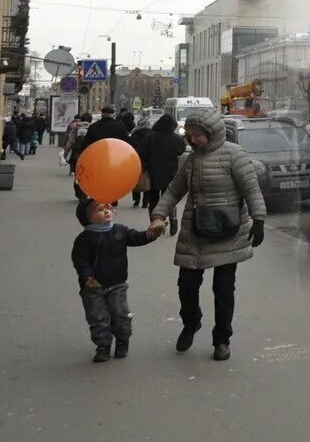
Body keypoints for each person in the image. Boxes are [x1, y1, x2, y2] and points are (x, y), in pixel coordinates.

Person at [149, 108, 266, 362]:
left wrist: (259, 219)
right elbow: (172, 191)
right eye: (188, 135)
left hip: (228, 232)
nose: (191, 140)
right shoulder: (191, 161)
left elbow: (252, 189)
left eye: (196, 136)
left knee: (223, 290)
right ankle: (191, 323)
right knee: (187, 286)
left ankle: (222, 339)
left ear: (211, 133)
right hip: (195, 231)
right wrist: (158, 216)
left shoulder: (234, 155)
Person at [71, 198, 161, 362]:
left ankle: (122, 339)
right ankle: (103, 346)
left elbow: (137, 238)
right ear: (88, 218)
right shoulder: (84, 239)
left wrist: (151, 234)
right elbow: (80, 261)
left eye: (109, 208)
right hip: (93, 289)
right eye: (100, 210)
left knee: (121, 315)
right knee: (98, 318)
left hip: (117, 285)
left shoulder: (120, 230)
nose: (106, 211)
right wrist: (87, 278)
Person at [139, 113, 185, 232]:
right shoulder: (176, 138)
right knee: (169, 198)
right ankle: (173, 216)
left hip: (153, 173)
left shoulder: (150, 137)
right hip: (170, 173)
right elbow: (181, 151)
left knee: (154, 200)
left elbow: (141, 152)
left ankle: (155, 224)